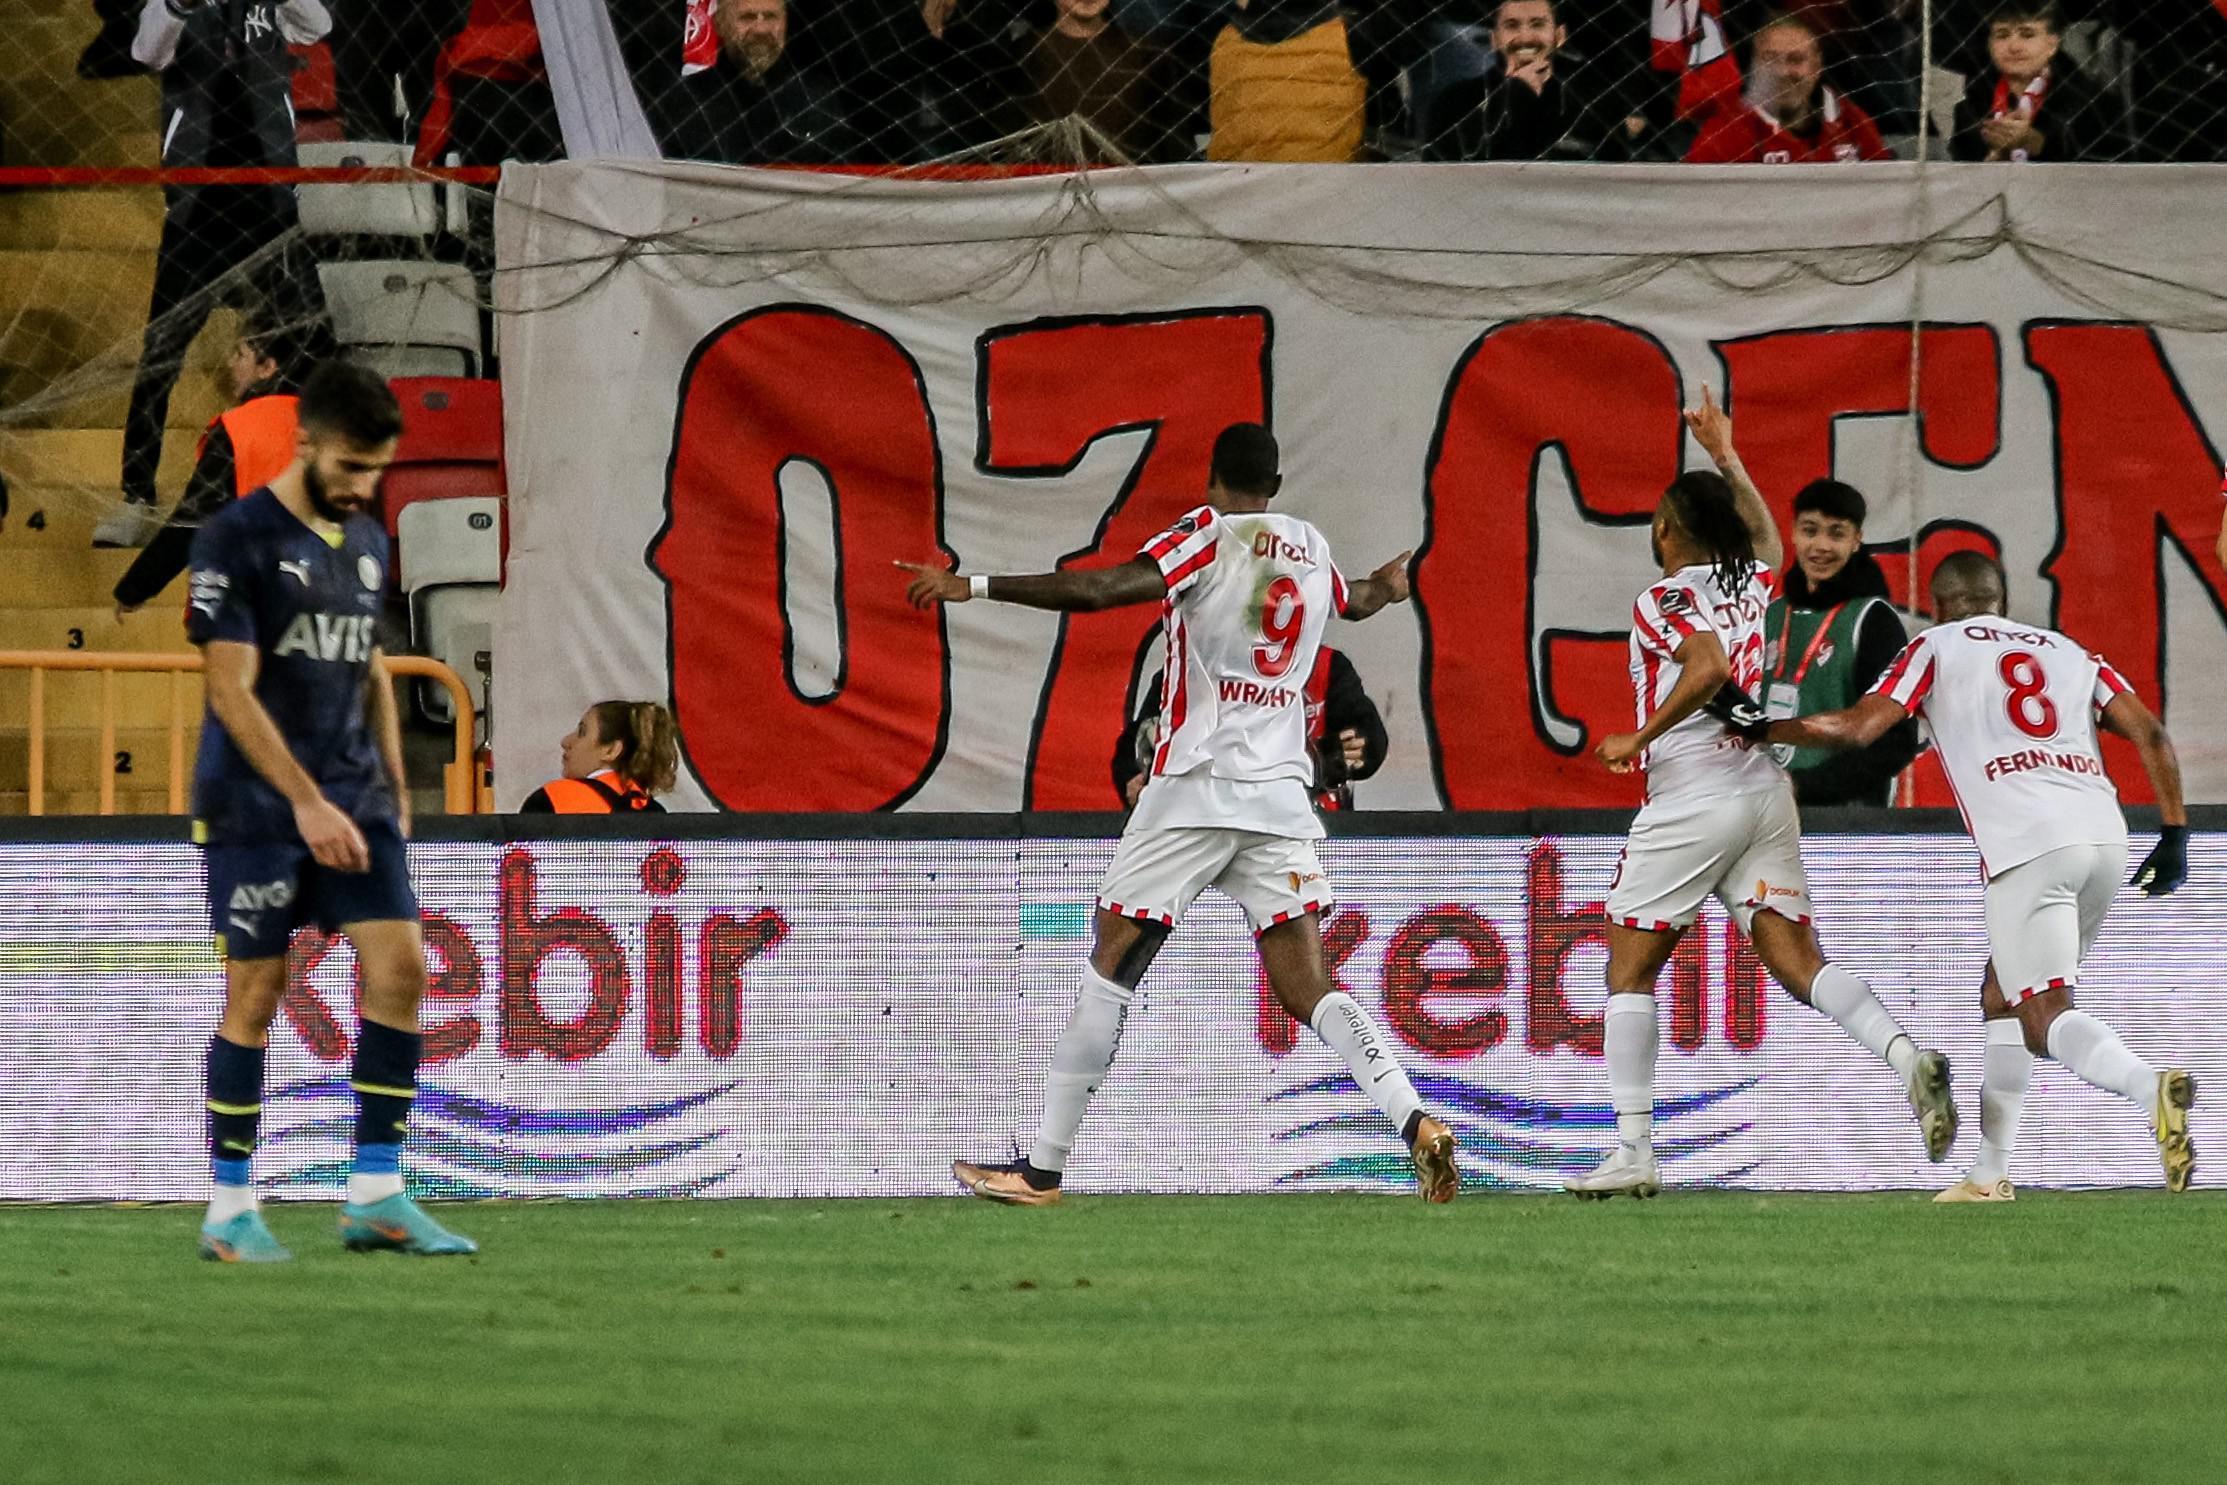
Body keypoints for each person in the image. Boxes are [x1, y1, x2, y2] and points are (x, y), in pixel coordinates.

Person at [899, 423, 1460, 1205]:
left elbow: (1100, 590)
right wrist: (1390, 585)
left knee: (1110, 959)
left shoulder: (1204, 536)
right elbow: (1357, 600)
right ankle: (1415, 1121)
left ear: (1211, 475)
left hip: (1194, 790)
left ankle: (1043, 1169)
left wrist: (977, 586)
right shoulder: (1306, 545)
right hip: (1278, 800)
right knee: (1309, 985)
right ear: (1275, 480)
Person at [1571, 388, 1954, 1199]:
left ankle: (1634, 1151)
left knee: (1627, 972)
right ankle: (1906, 1057)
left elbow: (1705, 669)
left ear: (1667, 531)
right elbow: (1768, 536)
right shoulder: (1752, 586)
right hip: (1763, 790)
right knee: (1797, 959)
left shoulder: (1663, 596)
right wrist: (1726, 453)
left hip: (1691, 794)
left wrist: (1634, 739)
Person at [1756, 551, 2196, 1197]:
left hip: (2028, 846)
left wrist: (1759, 727)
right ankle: (1988, 1173)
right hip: (2104, 835)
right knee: (2001, 994)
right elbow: (2150, 733)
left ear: (1936, 605)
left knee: (2044, 1015)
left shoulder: (1932, 648)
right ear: (2001, 595)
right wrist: (2176, 834)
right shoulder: (2068, 651)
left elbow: (1856, 730)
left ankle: (2147, 1087)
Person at [184, 361, 475, 1262]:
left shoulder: (364, 539)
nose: (362, 486)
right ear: (305, 441)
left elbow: (372, 662)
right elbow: (230, 690)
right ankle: (230, 1209)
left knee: (403, 969)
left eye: (376, 470)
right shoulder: (233, 538)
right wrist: (305, 802)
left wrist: (392, 779)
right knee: (257, 993)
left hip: (352, 799)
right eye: (350, 466)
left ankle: (378, 1194)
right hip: (257, 806)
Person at [100, 0, 334, 549]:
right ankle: (137, 495)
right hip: (198, 206)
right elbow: (145, 51)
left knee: (313, 342)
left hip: (269, 201)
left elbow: (318, 25)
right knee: (163, 351)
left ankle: (315, 487)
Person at [113, 314, 310, 618]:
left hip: (244, 601)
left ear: (267, 368)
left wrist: (137, 587)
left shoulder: (238, 428)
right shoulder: (324, 427)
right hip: (313, 598)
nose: (231, 364)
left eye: (240, 354)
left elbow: (193, 520)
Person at [1761, 479, 1921, 806]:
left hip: (1844, 821)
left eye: (1836, 533)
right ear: (1792, 532)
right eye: (1810, 530)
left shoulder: (1872, 620)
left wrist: (1806, 788)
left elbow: (1894, 740)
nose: (1821, 546)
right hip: (1763, 810)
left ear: (1856, 541)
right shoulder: (1768, 615)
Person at [1114, 645, 1384, 810]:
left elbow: (1366, 737)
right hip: (1206, 816)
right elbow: (1138, 742)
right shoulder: (1189, 670)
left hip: (1311, 820)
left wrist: (1355, 750)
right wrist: (1134, 778)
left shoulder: (1326, 665)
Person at [622, 0, 858, 164]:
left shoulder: (818, 100)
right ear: (719, 24)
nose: (760, 28)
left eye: (770, 16)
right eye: (747, 17)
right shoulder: (684, 102)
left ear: (785, 23)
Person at [1420, 0, 1637, 161]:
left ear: (1559, 36)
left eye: (1537, 24)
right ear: (1494, 39)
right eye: (1512, 25)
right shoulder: (1453, 101)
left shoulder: (1596, 104)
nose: (1525, 37)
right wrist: (1515, 93)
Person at [1685, 12, 1892, 163]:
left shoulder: (1852, 122)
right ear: (1754, 65)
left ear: (1817, 65)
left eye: (1796, 59)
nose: (1782, 72)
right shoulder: (1724, 131)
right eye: (1770, 60)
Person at [1942, 1, 2130, 162]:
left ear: (2052, 44)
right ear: (1990, 44)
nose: (2014, 47)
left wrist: (2041, 146)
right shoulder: (1968, 110)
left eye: (2027, 34)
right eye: (2002, 34)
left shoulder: (2094, 104)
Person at [520, 701, 679, 813]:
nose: (566, 741)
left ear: (611, 750)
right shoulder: (655, 813)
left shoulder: (552, 799)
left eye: (582, 732)